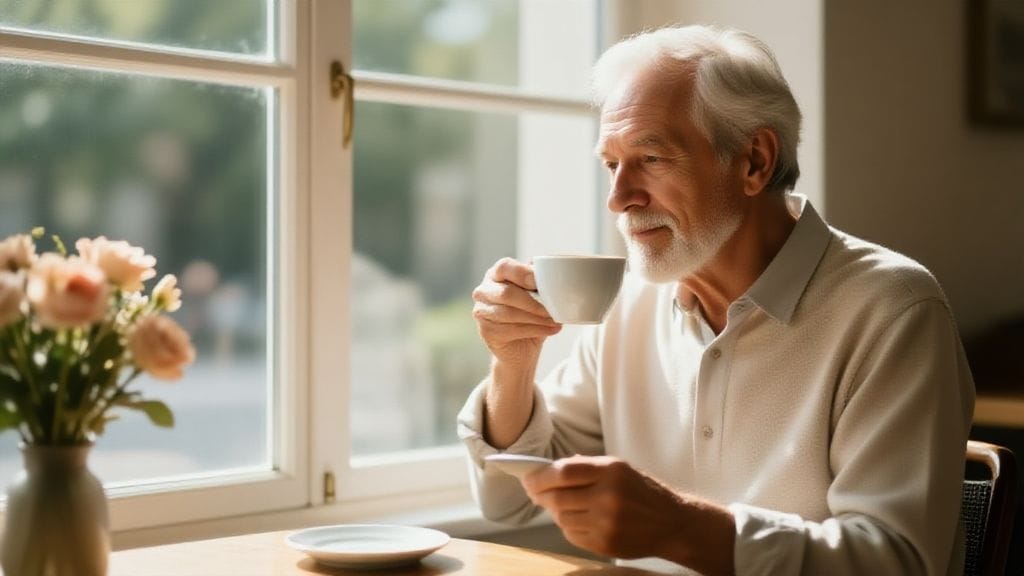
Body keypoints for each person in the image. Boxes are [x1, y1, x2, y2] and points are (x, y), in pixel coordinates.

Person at [457, 24, 975, 576]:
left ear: (753, 161)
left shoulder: (894, 310)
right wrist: (512, 366)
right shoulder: (628, 303)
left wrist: (682, 527)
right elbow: (510, 501)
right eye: (612, 164)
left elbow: (894, 562)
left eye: (651, 158)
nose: (619, 199)